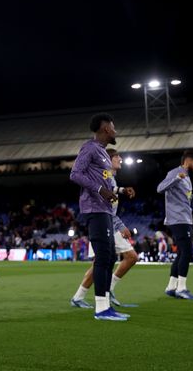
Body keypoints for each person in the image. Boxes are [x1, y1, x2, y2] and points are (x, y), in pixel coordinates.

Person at [69, 113, 129, 321]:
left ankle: (105, 306)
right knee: (103, 258)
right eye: (113, 128)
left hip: (105, 209)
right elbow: (75, 173)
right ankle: (101, 309)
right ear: (105, 129)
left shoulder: (103, 153)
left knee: (110, 257)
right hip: (94, 208)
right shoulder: (90, 148)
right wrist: (100, 190)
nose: (115, 131)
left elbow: (106, 184)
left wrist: (118, 191)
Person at [70, 148, 139, 309]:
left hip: (110, 223)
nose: (120, 159)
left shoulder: (111, 179)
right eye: (117, 157)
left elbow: (111, 206)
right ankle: (99, 296)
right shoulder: (103, 176)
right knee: (112, 260)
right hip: (104, 223)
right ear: (108, 159)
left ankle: (83, 296)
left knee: (103, 262)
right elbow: (103, 205)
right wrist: (121, 226)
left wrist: (121, 190)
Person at [157, 150, 193, 300]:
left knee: (182, 253)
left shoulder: (186, 177)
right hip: (178, 219)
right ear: (188, 160)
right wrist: (176, 178)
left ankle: (171, 287)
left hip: (184, 218)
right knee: (187, 253)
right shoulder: (175, 173)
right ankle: (182, 288)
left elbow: (183, 198)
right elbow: (160, 188)